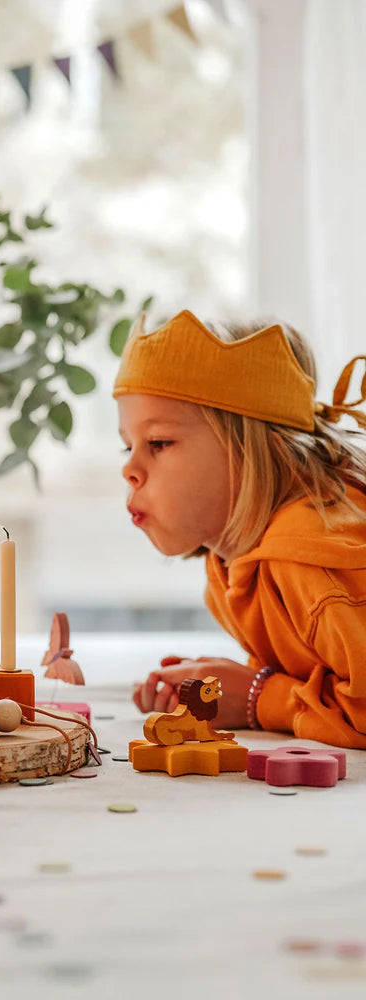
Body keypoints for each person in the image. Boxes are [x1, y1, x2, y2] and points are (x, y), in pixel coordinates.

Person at [114, 309, 366, 748]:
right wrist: (229, 683)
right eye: (127, 445)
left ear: (251, 450)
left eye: (158, 443)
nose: (130, 469)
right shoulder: (231, 567)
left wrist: (255, 698)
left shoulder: (314, 566)